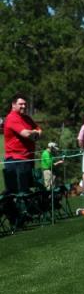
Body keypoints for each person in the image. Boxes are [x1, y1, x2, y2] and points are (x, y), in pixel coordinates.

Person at [3, 95, 41, 228]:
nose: (24, 106)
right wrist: (34, 133)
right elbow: (26, 134)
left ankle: (26, 216)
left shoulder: (26, 118)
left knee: (26, 190)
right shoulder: (12, 118)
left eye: (25, 104)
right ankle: (17, 219)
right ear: (13, 105)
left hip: (28, 158)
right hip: (16, 160)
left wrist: (34, 133)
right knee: (17, 192)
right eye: (21, 104)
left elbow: (39, 131)